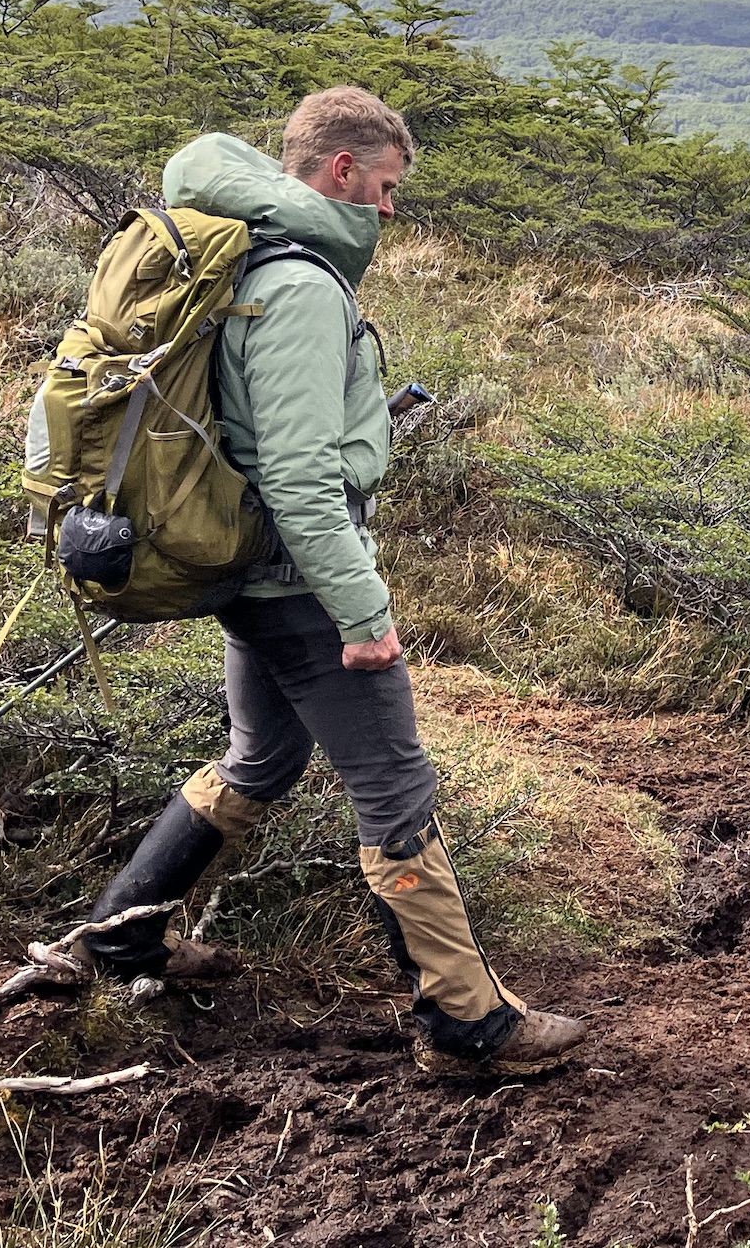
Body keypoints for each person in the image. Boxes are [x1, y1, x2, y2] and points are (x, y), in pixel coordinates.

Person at [76, 87, 588, 1077]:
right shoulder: (304, 286)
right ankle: (466, 1025)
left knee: (262, 759)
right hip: (301, 585)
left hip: (252, 569)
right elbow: (301, 474)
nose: (391, 211)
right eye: (387, 188)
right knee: (394, 785)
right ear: (341, 171)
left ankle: (121, 936)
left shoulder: (245, 258)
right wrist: (362, 613)